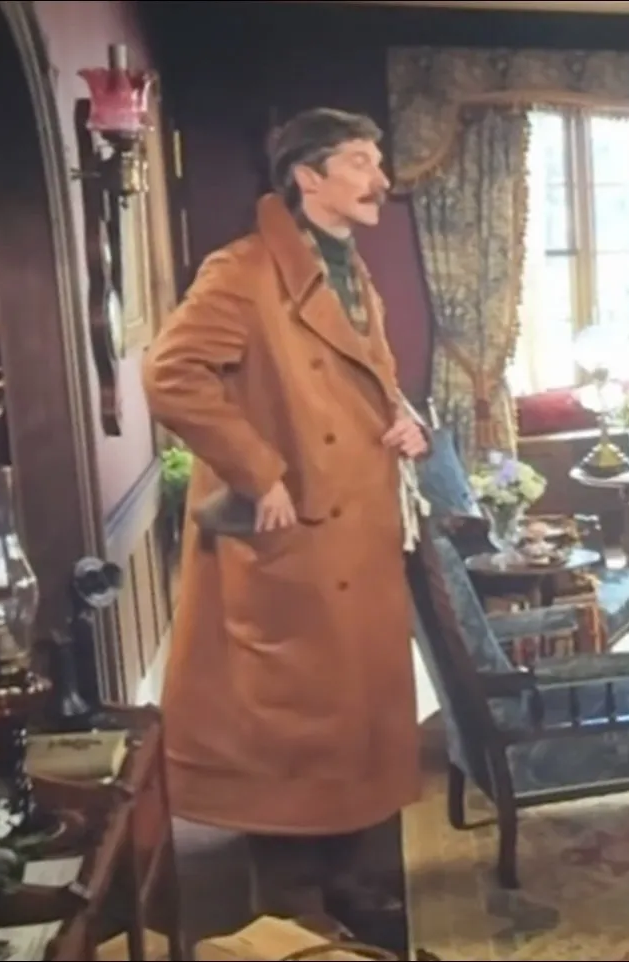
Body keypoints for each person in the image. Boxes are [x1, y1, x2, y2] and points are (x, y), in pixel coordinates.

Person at [143, 108, 429, 921]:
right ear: (308, 176)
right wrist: (258, 471)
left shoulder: (349, 269)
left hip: (357, 533)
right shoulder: (242, 270)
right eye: (361, 163)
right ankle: (289, 908)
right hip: (290, 539)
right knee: (291, 727)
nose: (380, 180)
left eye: (378, 162)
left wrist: (407, 420)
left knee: (348, 720)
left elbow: (367, 379)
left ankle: (345, 879)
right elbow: (171, 374)